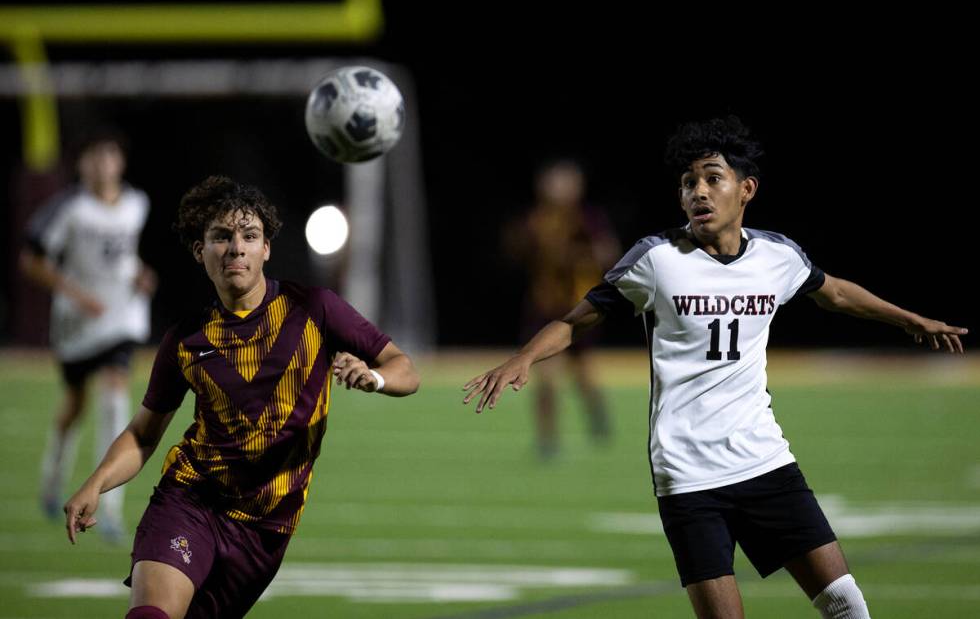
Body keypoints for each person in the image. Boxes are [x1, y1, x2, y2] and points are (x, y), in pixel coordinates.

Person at [463, 116, 967, 619]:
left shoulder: (777, 256)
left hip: (764, 459)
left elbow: (834, 292)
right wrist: (524, 356)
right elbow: (577, 320)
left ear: (746, 189)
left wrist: (909, 319)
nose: (698, 192)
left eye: (712, 178)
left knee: (845, 603)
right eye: (688, 183)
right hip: (687, 475)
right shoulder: (657, 259)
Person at [63, 175, 420, 619]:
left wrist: (376, 378)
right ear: (201, 251)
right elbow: (142, 434)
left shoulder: (314, 308)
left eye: (249, 236)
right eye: (222, 237)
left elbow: (405, 367)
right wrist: (95, 484)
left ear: (266, 248)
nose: (236, 248)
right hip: (190, 501)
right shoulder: (185, 340)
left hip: (265, 530)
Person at [20, 128, 156, 542]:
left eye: (110, 154)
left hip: (121, 316)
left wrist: (140, 273)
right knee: (75, 403)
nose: (103, 164)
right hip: (78, 322)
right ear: (82, 164)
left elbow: (123, 256)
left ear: (120, 162)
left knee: (117, 392)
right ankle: (51, 479)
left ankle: (110, 502)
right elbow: (32, 261)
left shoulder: (136, 204)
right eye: (94, 156)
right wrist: (77, 296)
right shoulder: (69, 208)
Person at [505, 159, 619, 457]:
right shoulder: (537, 220)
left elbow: (608, 253)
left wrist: (577, 256)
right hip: (544, 306)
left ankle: (597, 418)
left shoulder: (586, 219)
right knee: (544, 375)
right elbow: (516, 250)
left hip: (577, 308)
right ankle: (547, 439)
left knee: (582, 373)